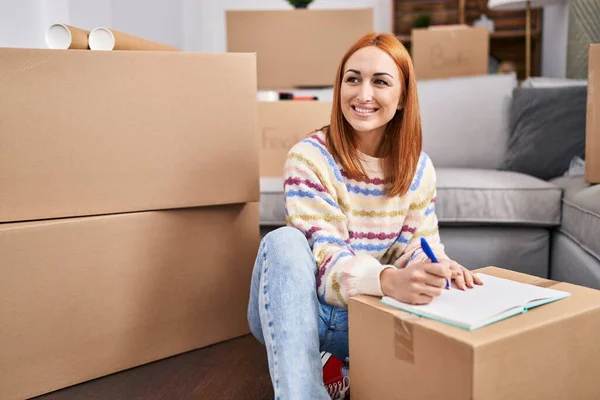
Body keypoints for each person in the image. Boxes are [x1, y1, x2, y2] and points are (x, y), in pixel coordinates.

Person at [247, 32, 483, 400]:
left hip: (366, 318)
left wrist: (439, 269)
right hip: (302, 310)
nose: (363, 94)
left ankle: (340, 369)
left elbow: (420, 246)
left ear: (403, 96)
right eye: (352, 79)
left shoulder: (418, 169)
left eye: (381, 82)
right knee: (283, 241)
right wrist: (389, 280)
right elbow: (325, 263)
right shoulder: (309, 158)